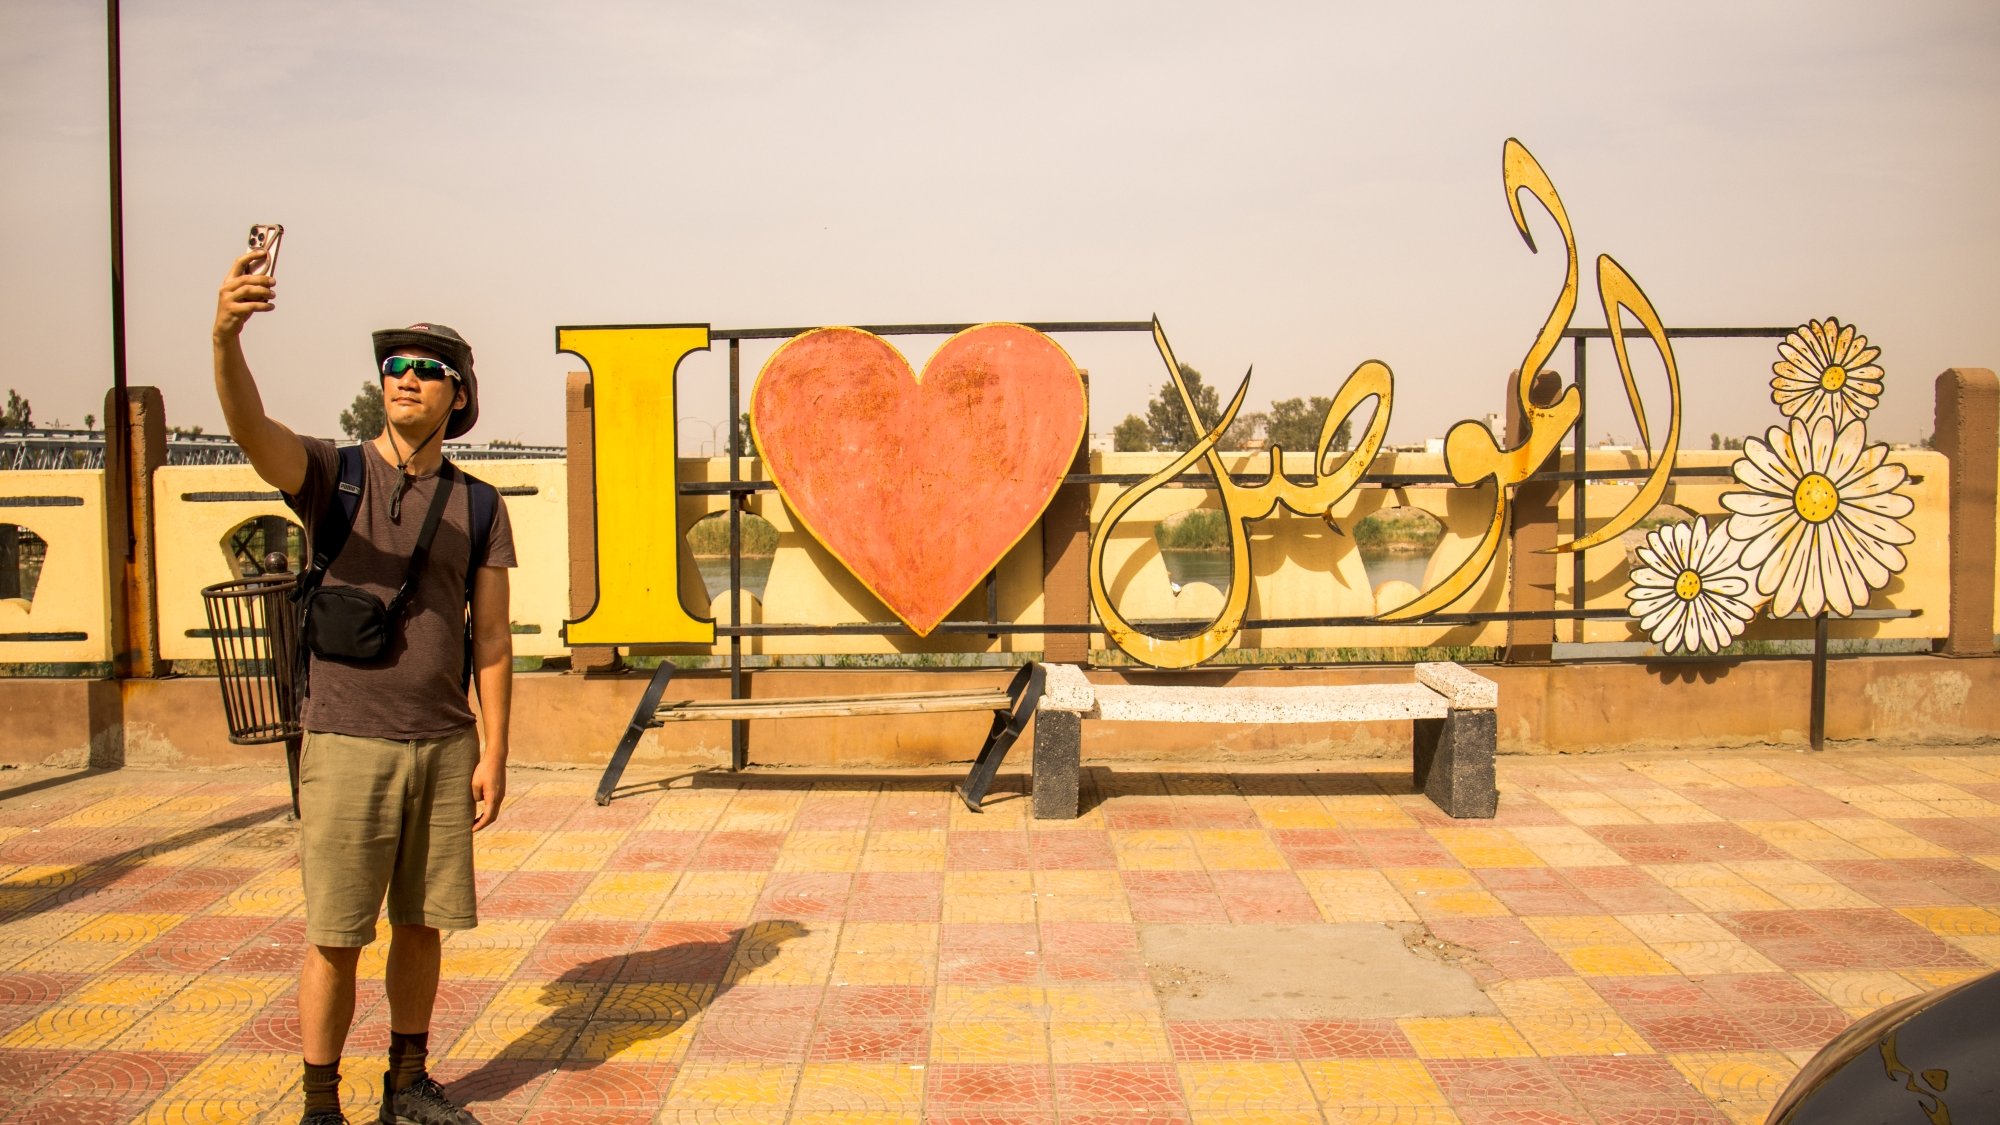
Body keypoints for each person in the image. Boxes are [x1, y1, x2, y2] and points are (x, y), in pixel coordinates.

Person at [213, 248, 516, 1125]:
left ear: (458, 395)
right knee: (337, 933)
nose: (408, 379)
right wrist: (226, 336)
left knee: (423, 925)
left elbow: (490, 638)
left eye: (429, 370)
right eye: (395, 367)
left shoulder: (481, 505)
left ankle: (407, 1084)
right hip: (345, 741)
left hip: (441, 739)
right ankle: (320, 1104)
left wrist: (495, 749)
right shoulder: (331, 474)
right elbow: (248, 426)